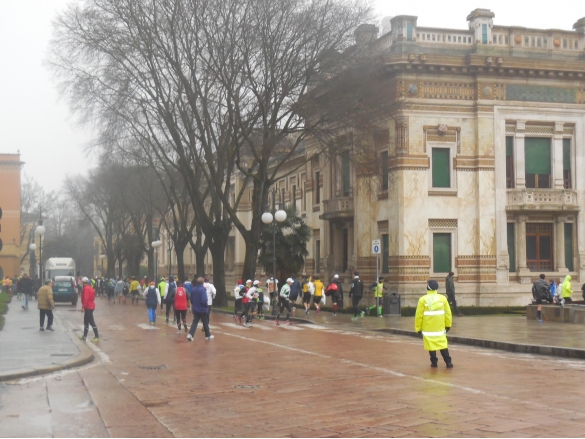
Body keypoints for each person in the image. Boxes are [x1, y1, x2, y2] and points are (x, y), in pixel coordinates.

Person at [415, 279, 453, 368]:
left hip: (428, 330)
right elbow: (448, 314)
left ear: (427, 287)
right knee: (443, 345)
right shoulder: (443, 299)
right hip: (440, 328)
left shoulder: (423, 300)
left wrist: (418, 328)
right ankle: (448, 362)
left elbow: (418, 315)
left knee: (431, 346)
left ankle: (434, 362)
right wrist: (448, 325)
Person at [80, 277, 99, 342]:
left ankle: (96, 336)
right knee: (86, 322)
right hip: (90, 306)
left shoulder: (86, 289)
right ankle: (84, 336)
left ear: (83, 282)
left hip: (88, 307)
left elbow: (85, 298)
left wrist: (83, 307)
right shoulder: (90, 288)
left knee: (91, 322)